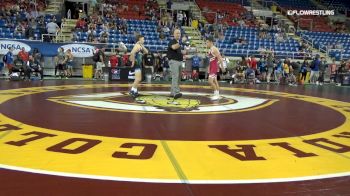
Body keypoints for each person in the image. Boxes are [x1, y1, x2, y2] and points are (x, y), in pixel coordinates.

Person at [167, 29, 185, 99]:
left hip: (179, 61)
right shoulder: (172, 41)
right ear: (174, 34)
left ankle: (172, 92)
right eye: (177, 33)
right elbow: (174, 47)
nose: (178, 35)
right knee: (175, 76)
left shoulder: (178, 43)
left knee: (178, 78)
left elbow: (179, 51)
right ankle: (176, 92)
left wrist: (184, 51)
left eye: (179, 33)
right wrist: (181, 42)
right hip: (174, 61)